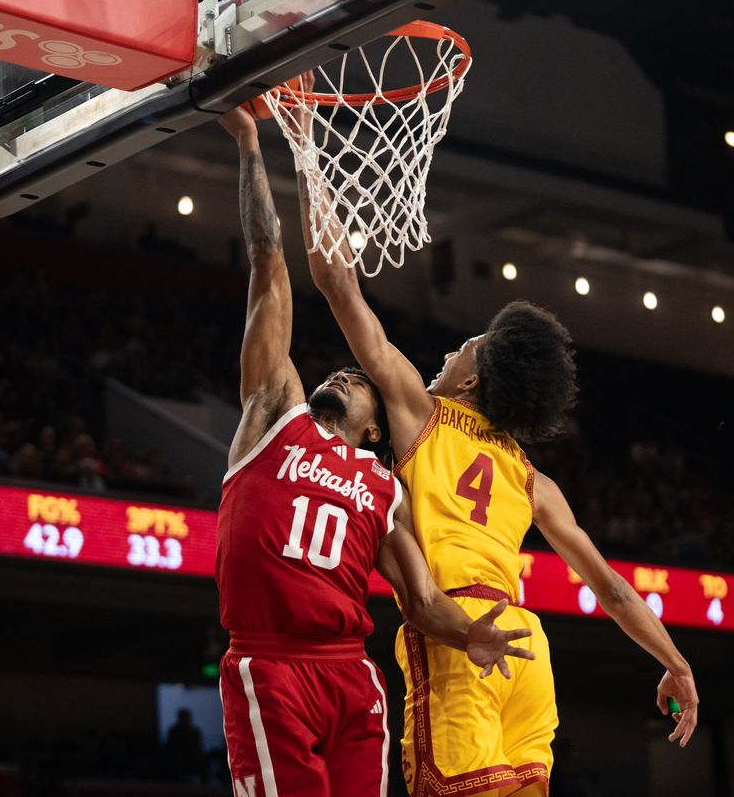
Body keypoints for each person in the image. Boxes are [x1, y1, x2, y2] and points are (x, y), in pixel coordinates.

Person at [298, 136, 701, 797]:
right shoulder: (532, 480)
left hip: (463, 636)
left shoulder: (419, 411)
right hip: (525, 647)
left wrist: (310, 158)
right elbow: (613, 589)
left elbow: (338, 284)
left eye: (461, 347)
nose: (448, 355)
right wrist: (675, 661)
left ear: (475, 375)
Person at [215, 106, 534, 797]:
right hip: (270, 662)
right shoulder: (274, 417)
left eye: (354, 381)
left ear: (375, 431)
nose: (340, 376)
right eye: (337, 374)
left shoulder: (386, 489)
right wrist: (249, 143)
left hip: (351, 673)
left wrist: (465, 635)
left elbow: (420, 597)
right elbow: (269, 267)